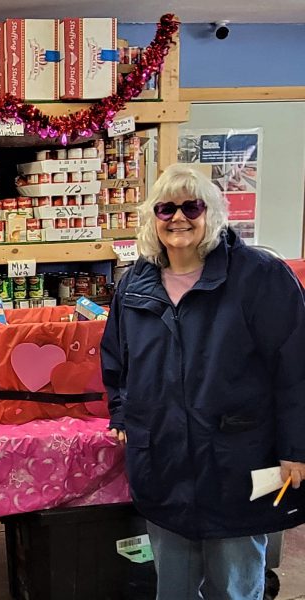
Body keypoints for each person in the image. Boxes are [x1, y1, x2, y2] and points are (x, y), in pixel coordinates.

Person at [101, 164, 305, 600]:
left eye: (191, 206)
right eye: (166, 208)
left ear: (212, 212)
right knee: (172, 586)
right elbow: (117, 361)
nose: (179, 218)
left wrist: (296, 449)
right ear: (151, 218)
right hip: (163, 459)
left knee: (234, 583)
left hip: (236, 458)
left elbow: (295, 369)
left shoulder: (260, 277)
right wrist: (121, 413)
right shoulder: (134, 285)